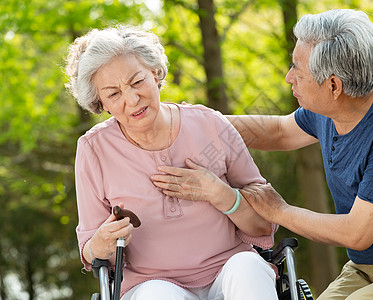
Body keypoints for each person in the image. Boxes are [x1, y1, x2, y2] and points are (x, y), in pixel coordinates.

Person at [225, 9, 373, 300]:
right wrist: (200, 121)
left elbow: (356, 232)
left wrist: (279, 211)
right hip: (367, 265)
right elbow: (279, 131)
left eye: (298, 70)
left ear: (334, 85)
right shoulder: (332, 109)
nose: (288, 77)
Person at [65, 25, 278, 299]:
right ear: (101, 103)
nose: (132, 99)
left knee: (248, 266)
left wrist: (221, 194)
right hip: (152, 284)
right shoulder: (93, 150)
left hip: (230, 272)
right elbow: (89, 249)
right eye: (114, 94)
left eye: (137, 81)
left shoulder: (211, 125)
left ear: (155, 73)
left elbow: (264, 224)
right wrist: (100, 243)